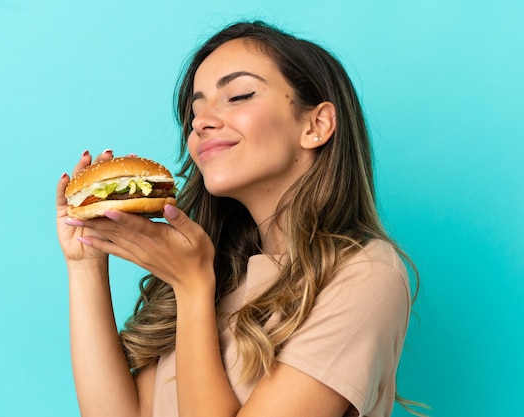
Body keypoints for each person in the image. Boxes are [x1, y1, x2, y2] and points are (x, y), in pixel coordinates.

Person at [56, 20, 419, 417]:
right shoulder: (219, 271)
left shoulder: (366, 274)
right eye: (195, 110)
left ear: (316, 125)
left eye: (238, 95)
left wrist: (192, 287)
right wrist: (86, 263)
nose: (200, 122)